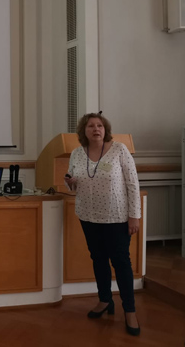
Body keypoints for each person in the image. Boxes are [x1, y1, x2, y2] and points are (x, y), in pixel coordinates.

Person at [64, 112, 141, 336]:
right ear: (84, 131)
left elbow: (133, 184)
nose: (96, 129)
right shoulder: (77, 153)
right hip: (88, 216)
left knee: (121, 262)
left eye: (99, 125)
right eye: (90, 126)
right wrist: (70, 182)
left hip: (116, 217)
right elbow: (73, 183)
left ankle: (130, 311)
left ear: (105, 130)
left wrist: (134, 216)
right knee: (98, 259)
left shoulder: (119, 150)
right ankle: (105, 300)